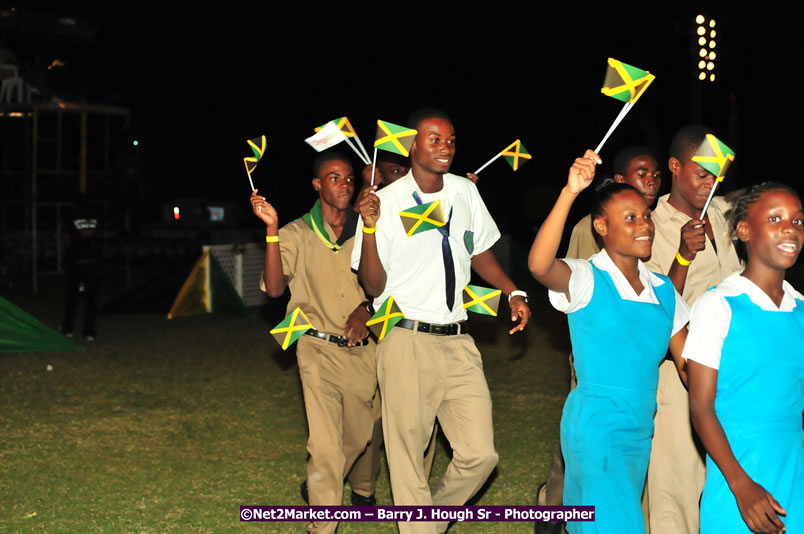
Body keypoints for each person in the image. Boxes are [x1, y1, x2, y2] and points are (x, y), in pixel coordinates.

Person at [352, 108, 530, 534]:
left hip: (458, 339)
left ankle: (426, 520)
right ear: (411, 145)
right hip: (406, 338)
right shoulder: (386, 202)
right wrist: (371, 228)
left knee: (481, 455)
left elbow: (479, 249)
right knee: (408, 456)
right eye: (434, 139)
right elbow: (373, 285)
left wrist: (513, 290)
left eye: (450, 140)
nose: (445, 147)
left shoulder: (464, 192)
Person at [528, 150, 689, 534]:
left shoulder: (665, 291)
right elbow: (539, 265)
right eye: (629, 218)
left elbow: (689, 365)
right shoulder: (587, 279)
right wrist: (569, 193)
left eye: (646, 216)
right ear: (602, 227)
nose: (644, 225)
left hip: (639, 430)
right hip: (595, 430)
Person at [250, 152, 376, 534]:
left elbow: (392, 284)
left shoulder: (369, 229)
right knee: (324, 446)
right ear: (318, 185)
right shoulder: (296, 233)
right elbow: (274, 288)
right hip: (315, 347)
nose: (344, 184)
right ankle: (321, 525)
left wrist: (366, 308)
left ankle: (324, 482)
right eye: (333, 178)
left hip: (362, 351)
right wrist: (271, 229)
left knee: (360, 436)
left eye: (349, 178)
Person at [686, 183, 803, 534]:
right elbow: (701, 406)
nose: (790, 228)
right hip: (736, 473)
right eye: (774, 218)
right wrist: (740, 485)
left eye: (798, 221)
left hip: (793, 469)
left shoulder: (800, 310)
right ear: (744, 230)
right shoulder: (719, 305)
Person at [644, 125, 742, 534]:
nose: (709, 183)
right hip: (677, 369)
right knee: (675, 494)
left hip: (730, 367)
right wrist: (682, 256)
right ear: (674, 167)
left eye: (716, 175)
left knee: (724, 480)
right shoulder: (648, 225)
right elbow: (655, 309)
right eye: (701, 173)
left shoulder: (721, 212)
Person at [566, 147, 663, 260]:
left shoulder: (658, 220)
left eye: (656, 175)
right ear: (620, 179)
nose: (652, 182)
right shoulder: (588, 227)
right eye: (642, 175)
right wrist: (569, 192)